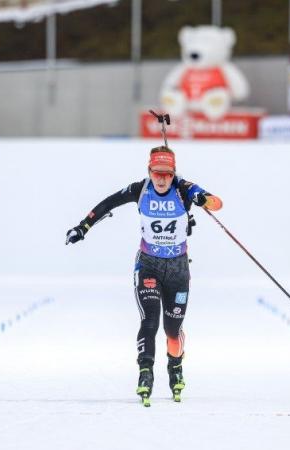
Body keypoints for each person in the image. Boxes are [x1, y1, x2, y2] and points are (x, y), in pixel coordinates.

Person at [65, 146, 222, 406]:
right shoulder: (140, 189)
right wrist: (83, 226)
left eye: (167, 174)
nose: (162, 179)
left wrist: (203, 199)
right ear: (149, 171)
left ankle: (175, 365)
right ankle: (145, 372)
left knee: (172, 330)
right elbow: (107, 204)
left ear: (174, 174)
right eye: (157, 173)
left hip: (178, 269)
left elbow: (217, 203)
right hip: (148, 264)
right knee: (150, 321)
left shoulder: (184, 189)